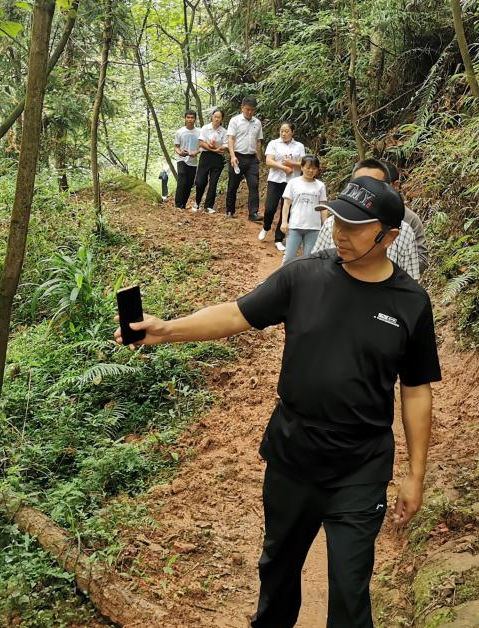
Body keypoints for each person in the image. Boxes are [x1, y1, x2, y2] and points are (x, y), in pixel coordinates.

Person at [115, 176, 440, 628]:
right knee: (279, 570)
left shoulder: (411, 303)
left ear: (390, 236)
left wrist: (415, 475)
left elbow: (417, 389)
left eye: (355, 226)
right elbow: (235, 314)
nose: (340, 233)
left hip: (361, 466)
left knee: (350, 590)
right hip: (292, 455)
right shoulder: (303, 277)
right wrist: (166, 329)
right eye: (337, 220)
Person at [315, 158, 421, 280]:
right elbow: (316, 266)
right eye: (358, 184)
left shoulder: (404, 230)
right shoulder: (331, 224)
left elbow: (410, 280)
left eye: (373, 184)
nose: (364, 191)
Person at [259, 122, 305, 252]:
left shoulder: (299, 146)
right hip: (275, 180)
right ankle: (266, 227)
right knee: (270, 208)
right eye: (281, 131)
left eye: (286, 131)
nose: (283, 133)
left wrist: (292, 163)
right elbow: (269, 161)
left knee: (287, 211)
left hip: (292, 183)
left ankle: (279, 239)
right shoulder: (273, 143)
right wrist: (284, 167)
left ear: (292, 132)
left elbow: (304, 164)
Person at [280, 155, 326, 264]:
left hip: (314, 228)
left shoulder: (320, 185)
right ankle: (282, 280)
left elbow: (323, 207)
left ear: (317, 170)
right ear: (301, 167)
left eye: (314, 168)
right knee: (289, 258)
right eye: (308, 167)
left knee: (308, 260)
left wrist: (325, 225)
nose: (310, 171)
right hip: (295, 226)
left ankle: (303, 281)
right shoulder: (293, 183)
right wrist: (284, 222)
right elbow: (286, 204)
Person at [225, 97, 264, 221]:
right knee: (233, 185)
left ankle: (253, 213)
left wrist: (259, 157)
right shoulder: (235, 121)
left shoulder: (257, 123)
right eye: (247, 109)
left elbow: (258, 141)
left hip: (252, 159)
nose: (249, 112)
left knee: (254, 185)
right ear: (242, 108)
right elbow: (231, 139)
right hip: (237, 157)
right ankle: (230, 211)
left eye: (252, 110)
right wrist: (232, 156)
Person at [388, 163, 428, 274]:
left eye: (383, 185)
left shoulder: (409, 219)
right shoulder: (363, 215)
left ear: (396, 185)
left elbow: (422, 258)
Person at [193, 108, 228, 214]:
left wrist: (218, 148)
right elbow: (201, 143)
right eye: (215, 117)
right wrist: (213, 148)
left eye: (219, 117)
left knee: (213, 182)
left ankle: (209, 205)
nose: (217, 119)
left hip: (218, 158)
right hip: (206, 156)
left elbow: (226, 146)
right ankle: (197, 202)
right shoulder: (205, 128)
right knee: (200, 181)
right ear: (212, 117)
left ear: (222, 119)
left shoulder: (224, 131)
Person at [173, 110, 201, 210]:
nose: (190, 120)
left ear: (195, 119)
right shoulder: (179, 132)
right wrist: (180, 152)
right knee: (182, 181)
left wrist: (196, 152)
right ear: (184, 119)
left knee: (189, 184)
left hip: (193, 162)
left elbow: (202, 146)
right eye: (188, 117)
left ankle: (183, 205)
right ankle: (178, 205)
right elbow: (176, 146)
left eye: (192, 117)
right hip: (181, 159)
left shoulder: (199, 132)